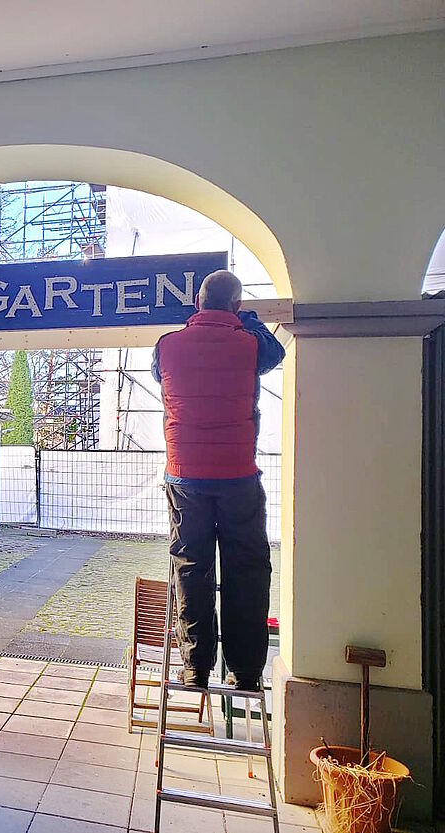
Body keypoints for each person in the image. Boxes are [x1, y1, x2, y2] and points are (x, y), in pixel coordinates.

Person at [151, 270, 285, 692]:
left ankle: (195, 668)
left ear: (196, 302)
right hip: (238, 475)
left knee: (191, 566)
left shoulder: (167, 346)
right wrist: (248, 319)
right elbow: (275, 352)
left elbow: (158, 374)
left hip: (185, 473)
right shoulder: (250, 342)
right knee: (246, 568)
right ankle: (245, 671)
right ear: (236, 305)